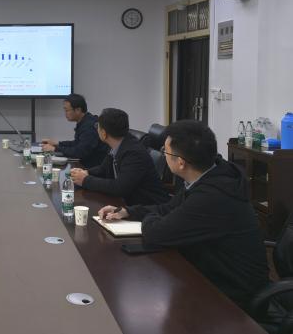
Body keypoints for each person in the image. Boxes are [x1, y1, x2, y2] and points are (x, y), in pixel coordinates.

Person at [98, 120, 269, 310]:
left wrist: (151, 219)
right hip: (207, 270)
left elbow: (156, 234)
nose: (163, 155)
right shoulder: (208, 175)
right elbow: (168, 208)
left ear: (180, 163)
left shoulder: (212, 196)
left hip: (232, 295)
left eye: (165, 151)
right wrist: (128, 211)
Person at [71, 108, 169, 206]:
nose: (97, 129)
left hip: (150, 208)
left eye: (98, 126)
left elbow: (119, 188)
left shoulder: (134, 153)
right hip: (129, 204)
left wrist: (85, 180)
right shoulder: (118, 143)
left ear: (104, 133)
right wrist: (86, 172)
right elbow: (103, 169)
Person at [41, 94, 109, 168]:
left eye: (67, 110)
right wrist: (57, 143)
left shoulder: (89, 127)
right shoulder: (84, 121)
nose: (65, 113)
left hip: (92, 169)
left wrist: (54, 148)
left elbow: (79, 151)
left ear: (78, 110)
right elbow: (77, 143)